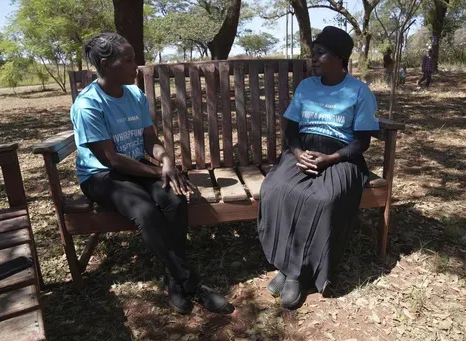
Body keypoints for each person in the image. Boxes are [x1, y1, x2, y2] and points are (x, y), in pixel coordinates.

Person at [71, 32, 232, 314]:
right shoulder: (88, 105)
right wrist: (157, 172)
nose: (138, 64)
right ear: (107, 64)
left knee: (175, 199)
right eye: (129, 59)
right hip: (101, 177)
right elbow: (111, 160)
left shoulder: (134, 95)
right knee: (145, 211)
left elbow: (149, 139)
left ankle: (173, 280)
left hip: (135, 168)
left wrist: (166, 160)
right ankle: (192, 284)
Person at [257, 26, 379, 309]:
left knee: (322, 199)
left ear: (339, 57)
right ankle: (287, 267)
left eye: (320, 53)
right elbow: (291, 128)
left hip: (341, 156)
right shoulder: (306, 87)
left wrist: (330, 159)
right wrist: (298, 153)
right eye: (314, 53)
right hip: (303, 150)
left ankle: (298, 275)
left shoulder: (359, 92)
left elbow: (362, 142)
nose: (313, 58)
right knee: (276, 188)